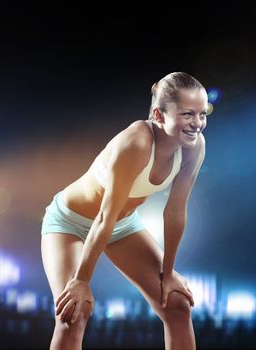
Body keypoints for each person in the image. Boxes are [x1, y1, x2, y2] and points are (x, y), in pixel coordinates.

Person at [40, 72, 208, 350]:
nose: (197, 124)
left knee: (177, 304)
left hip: (122, 225)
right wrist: (81, 280)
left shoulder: (194, 148)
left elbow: (175, 212)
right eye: (188, 114)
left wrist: (168, 274)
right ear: (159, 114)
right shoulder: (136, 143)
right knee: (75, 311)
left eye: (203, 114)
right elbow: (104, 215)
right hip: (69, 223)